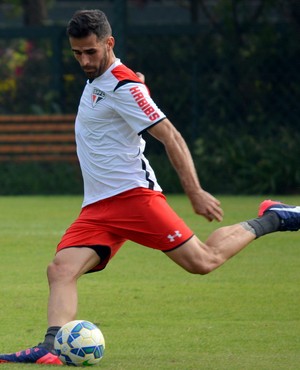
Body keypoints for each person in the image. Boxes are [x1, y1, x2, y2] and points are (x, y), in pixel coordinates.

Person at [0, 9, 299, 365]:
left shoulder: (124, 85)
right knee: (61, 269)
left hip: (134, 199)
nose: (83, 60)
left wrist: (195, 191)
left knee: (203, 261)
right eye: (77, 53)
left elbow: (170, 135)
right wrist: (135, 83)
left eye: (91, 52)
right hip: (98, 207)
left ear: (109, 43)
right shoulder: (103, 78)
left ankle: (275, 218)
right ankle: (52, 346)